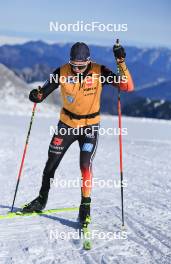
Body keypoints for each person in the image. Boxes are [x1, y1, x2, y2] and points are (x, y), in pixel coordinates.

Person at [22, 42, 134, 225]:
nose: (77, 69)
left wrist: (121, 62)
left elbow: (127, 86)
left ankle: (85, 207)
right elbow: (43, 92)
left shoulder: (100, 71)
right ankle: (41, 200)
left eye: (81, 66)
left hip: (90, 126)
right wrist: (36, 95)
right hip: (67, 124)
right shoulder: (62, 71)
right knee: (51, 163)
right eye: (74, 65)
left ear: (88, 61)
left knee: (85, 164)